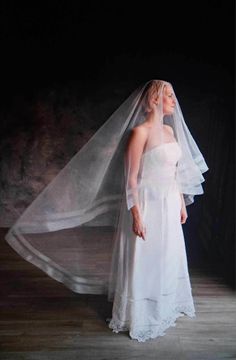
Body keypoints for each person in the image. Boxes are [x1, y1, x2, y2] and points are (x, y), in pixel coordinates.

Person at [5, 79, 208, 343]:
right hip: (147, 203)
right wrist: (136, 214)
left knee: (166, 253)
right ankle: (139, 313)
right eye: (169, 95)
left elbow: (175, 172)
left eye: (174, 95)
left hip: (168, 202)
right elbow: (131, 179)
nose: (174, 101)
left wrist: (180, 202)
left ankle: (163, 304)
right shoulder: (140, 133)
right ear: (155, 99)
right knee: (143, 256)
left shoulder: (170, 132)